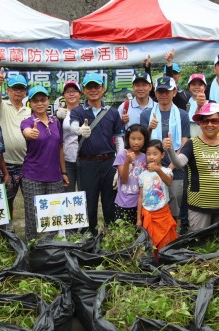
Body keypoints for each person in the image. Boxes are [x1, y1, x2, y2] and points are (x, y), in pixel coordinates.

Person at [165, 102, 219, 231]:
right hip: (199, 205)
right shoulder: (192, 143)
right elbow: (179, 163)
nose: (209, 124)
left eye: (214, 121)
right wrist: (170, 150)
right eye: (205, 121)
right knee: (200, 243)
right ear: (199, 123)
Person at [70, 72, 124, 234]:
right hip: (87, 164)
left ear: (103, 89)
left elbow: (119, 139)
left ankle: (111, 237)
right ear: (84, 90)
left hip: (109, 162)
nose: (93, 90)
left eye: (96, 86)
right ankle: (89, 237)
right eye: (89, 87)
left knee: (110, 203)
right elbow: (72, 126)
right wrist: (79, 130)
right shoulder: (78, 111)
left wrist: (119, 164)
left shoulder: (112, 112)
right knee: (89, 202)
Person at [20, 86, 68, 241]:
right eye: (35, 101)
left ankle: (53, 249)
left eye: (43, 100)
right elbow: (26, 131)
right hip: (32, 176)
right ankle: (31, 249)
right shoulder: (27, 122)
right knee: (33, 216)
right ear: (30, 103)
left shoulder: (55, 122)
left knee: (54, 216)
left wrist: (64, 172)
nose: (40, 103)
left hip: (55, 177)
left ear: (48, 101)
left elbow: (60, 147)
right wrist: (30, 133)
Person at [140, 76, 190, 226]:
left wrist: (171, 166)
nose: (163, 95)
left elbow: (184, 142)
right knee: (154, 198)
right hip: (153, 163)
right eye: (160, 91)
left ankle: (172, 234)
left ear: (174, 92)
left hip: (175, 164)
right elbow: (142, 142)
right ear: (155, 93)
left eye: (167, 91)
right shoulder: (147, 114)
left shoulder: (182, 115)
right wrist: (149, 128)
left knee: (174, 200)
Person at [0, 68, 31, 227]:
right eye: (14, 88)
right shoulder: (2, 106)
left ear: (25, 92)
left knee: (30, 201)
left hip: (27, 164)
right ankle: (8, 234)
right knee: (6, 202)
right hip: (6, 164)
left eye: (21, 88)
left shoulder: (30, 111)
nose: (18, 92)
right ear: (8, 90)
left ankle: (32, 235)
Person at [136, 139, 177, 257]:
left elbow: (168, 182)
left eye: (155, 154)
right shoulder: (142, 175)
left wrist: (158, 170)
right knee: (150, 243)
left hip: (163, 215)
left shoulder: (166, 171)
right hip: (148, 215)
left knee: (165, 243)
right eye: (148, 154)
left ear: (162, 155)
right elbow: (140, 197)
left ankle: (165, 262)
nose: (151, 157)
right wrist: (139, 218)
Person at [114, 124, 149, 223]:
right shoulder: (122, 155)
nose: (136, 142)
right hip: (124, 202)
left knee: (139, 233)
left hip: (141, 202)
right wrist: (127, 162)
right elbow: (124, 179)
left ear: (145, 140)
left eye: (140, 139)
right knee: (123, 233)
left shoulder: (145, 157)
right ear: (128, 139)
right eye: (133, 138)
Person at [55, 80, 82, 192]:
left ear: (80, 94)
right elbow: (55, 136)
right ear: (63, 95)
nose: (71, 94)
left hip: (84, 159)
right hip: (66, 160)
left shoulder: (86, 111)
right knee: (67, 195)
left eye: (74, 91)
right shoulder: (60, 113)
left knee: (84, 194)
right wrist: (57, 118)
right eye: (68, 91)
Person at [186, 73, 210, 138]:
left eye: (200, 84)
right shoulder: (184, 103)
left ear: (205, 87)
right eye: (193, 84)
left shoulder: (211, 104)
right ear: (189, 87)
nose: (197, 87)